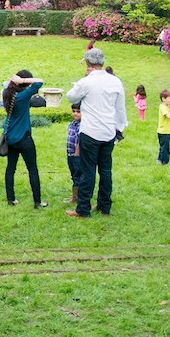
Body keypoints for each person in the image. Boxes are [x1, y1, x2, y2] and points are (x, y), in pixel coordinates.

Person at [65, 48, 128, 218]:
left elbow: (71, 97)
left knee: (88, 171)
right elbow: (120, 108)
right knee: (106, 171)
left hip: (91, 131)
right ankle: (104, 206)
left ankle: (83, 208)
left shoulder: (87, 81)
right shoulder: (115, 81)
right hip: (109, 131)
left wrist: (83, 79)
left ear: (87, 62)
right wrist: (120, 128)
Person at [2, 71, 47, 208]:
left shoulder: (8, 94)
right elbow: (40, 81)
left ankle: (11, 199)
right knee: (32, 170)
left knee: (10, 168)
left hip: (10, 138)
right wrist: (22, 81)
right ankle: (37, 202)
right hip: (24, 138)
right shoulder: (23, 96)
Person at [66, 103, 82, 203]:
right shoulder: (72, 124)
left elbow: (80, 141)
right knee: (73, 174)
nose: (75, 114)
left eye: (78, 112)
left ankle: (78, 197)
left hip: (77, 155)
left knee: (78, 175)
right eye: (73, 111)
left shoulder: (82, 125)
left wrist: (77, 153)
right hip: (70, 153)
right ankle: (74, 196)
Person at [157, 89, 170, 165]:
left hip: (165, 131)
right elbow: (169, 116)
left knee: (163, 147)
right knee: (165, 148)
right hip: (164, 131)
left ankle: (159, 160)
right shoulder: (163, 107)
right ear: (163, 98)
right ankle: (164, 163)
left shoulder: (166, 106)